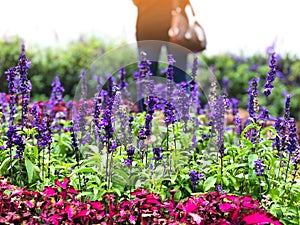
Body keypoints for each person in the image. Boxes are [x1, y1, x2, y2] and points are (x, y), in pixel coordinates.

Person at [132, 0, 190, 111]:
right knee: (179, 76)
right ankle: (183, 120)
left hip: (149, 24)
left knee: (146, 77)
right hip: (176, 27)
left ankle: (145, 122)